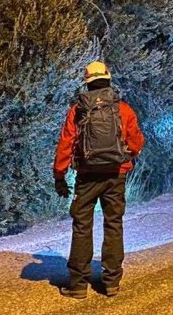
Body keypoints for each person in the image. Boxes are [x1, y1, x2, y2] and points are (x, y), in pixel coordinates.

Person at [53, 61, 145, 299]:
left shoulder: (78, 110)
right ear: (108, 78)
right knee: (113, 223)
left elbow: (66, 143)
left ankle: (78, 285)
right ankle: (111, 281)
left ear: (87, 81)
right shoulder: (123, 109)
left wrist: (59, 174)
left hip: (87, 175)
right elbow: (136, 142)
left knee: (82, 225)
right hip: (116, 174)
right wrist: (128, 157)